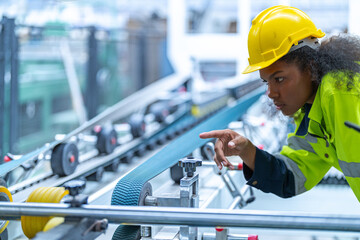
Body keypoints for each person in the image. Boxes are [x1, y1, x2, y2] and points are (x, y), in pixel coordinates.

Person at [199, 5, 360, 201]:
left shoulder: (341, 91)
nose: (271, 93)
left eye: (280, 79)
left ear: (311, 68)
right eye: (267, 81)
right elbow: (292, 176)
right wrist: (246, 150)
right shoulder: (313, 114)